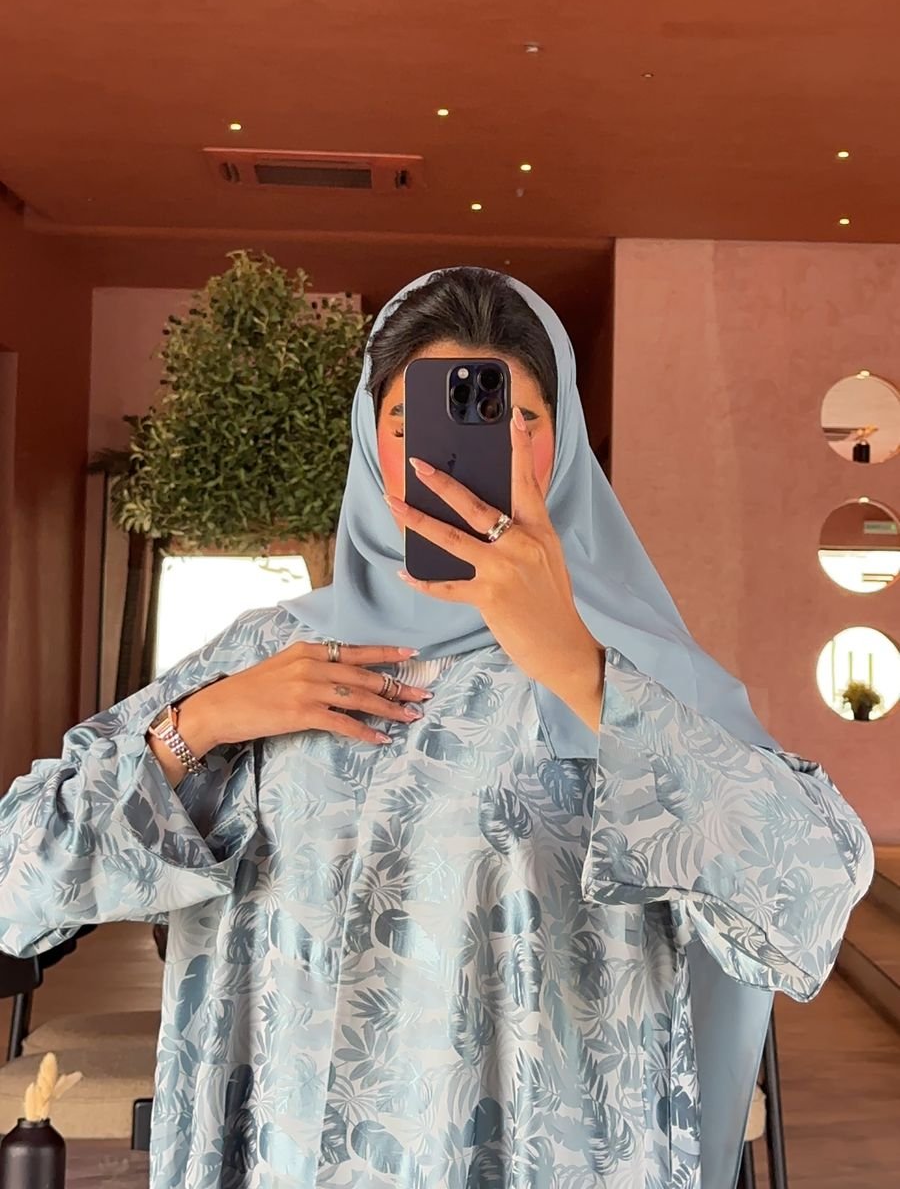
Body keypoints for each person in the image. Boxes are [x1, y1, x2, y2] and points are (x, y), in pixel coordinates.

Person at [0, 268, 872, 1189]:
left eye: (518, 419)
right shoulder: (267, 658)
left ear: (564, 441)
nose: (456, 459)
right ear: (369, 442)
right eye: (411, 423)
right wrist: (202, 723)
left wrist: (581, 670)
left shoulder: (638, 675)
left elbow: (811, 893)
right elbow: (17, 882)